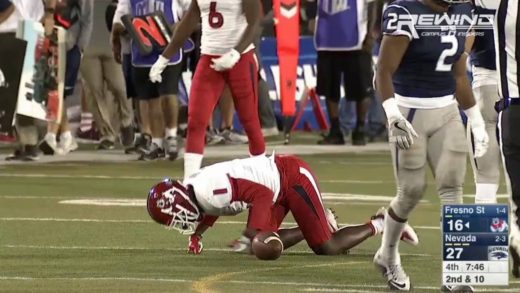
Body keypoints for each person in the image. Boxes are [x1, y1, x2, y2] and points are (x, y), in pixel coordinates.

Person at [374, 0, 489, 290]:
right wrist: (393, 116)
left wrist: (475, 119)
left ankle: (459, 274)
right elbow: (383, 71)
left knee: (453, 185)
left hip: (448, 109)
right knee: (411, 191)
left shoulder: (463, 12)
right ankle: (387, 254)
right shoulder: (405, 12)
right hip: (409, 111)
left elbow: (459, 74)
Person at [146, 154, 419, 256]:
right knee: (263, 247)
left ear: (176, 201)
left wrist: (248, 233)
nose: (176, 220)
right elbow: (211, 208)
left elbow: (262, 194)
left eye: (172, 216)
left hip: (291, 178)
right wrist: (197, 234)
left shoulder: (207, 188)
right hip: (276, 185)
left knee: (327, 246)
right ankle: (321, 221)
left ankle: (383, 222)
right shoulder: (196, 189)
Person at [149, 0, 266, 178]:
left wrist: (235, 53)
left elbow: (254, 23)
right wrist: (164, 57)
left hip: (241, 58)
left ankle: (263, 177)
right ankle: (190, 184)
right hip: (209, 58)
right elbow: (188, 22)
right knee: (196, 122)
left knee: (250, 121)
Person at [112, 0, 189, 161]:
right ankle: (157, 142)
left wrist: (181, 27)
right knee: (150, 99)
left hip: (169, 47)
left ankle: (171, 136)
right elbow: (120, 18)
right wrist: (117, 41)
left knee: (168, 94)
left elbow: (192, 11)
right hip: (143, 50)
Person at [306, 0, 377, 146]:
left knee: (362, 89)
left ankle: (360, 129)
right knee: (330, 88)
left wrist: (370, 32)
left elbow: (372, 4)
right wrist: (311, 17)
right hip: (327, 38)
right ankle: (335, 130)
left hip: (356, 38)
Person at [2, 0, 56, 161]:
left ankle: (31, 142)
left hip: (22, 31)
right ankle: (23, 142)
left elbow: (8, 8)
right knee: (14, 92)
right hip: (17, 30)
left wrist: (49, 15)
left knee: (22, 89)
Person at [39, 0, 94, 155]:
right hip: (50, 40)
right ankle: (65, 136)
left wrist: (80, 48)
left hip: (69, 44)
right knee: (54, 88)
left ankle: (53, 135)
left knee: (59, 90)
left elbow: (87, 19)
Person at [80, 0, 134, 150]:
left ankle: (126, 121)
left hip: (112, 42)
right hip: (87, 44)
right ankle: (107, 134)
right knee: (94, 91)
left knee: (119, 87)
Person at [465, 1, 501, 204]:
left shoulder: (470, 8)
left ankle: (485, 235)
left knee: (486, 181)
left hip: (485, 90)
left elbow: (459, 55)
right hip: (512, 90)